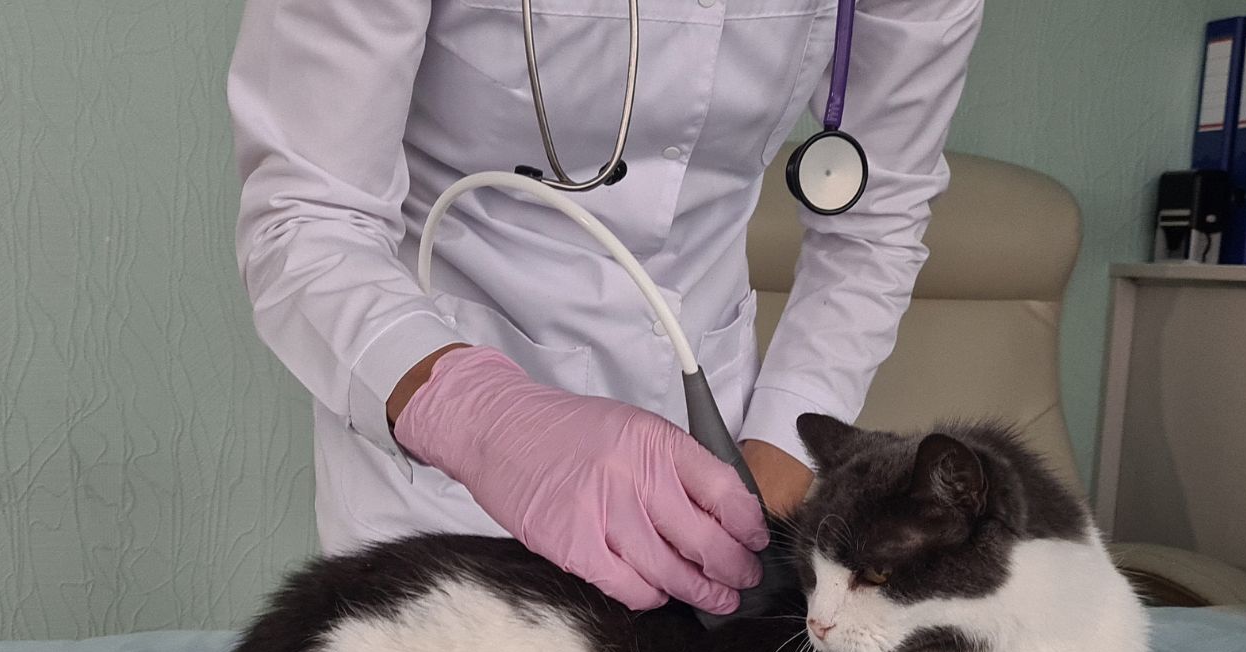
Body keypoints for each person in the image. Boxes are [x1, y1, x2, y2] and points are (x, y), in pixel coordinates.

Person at [227, 0, 983, 616]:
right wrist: (482, 419)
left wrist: (777, 454)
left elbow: (876, 219)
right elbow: (306, 217)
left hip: (713, 445)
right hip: (442, 465)